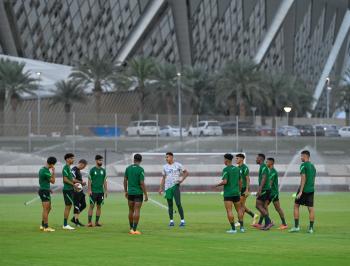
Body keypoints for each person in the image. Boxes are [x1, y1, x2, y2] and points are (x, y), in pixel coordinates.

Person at [215, 153, 244, 233]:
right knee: (239, 210)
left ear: (227, 160)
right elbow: (240, 181)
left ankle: (233, 229)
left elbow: (225, 181)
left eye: (224, 159)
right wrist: (239, 190)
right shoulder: (237, 169)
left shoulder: (226, 169)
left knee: (229, 211)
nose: (224, 161)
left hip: (228, 193)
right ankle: (242, 228)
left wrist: (217, 185)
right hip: (236, 193)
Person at [289, 150, 316, 233]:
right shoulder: (313, 166)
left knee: (296, 206)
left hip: (304, 189)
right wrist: (311, 187)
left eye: (301, 156)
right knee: (311, 209)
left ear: (305, 156)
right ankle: (311, 228)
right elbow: (313, 178)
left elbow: (303, 178)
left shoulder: (303, 165)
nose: (300, 158)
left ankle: (296, 227)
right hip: (311, 190)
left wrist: (301, 191)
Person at [159, 152, 189, 227]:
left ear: (172, 157)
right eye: (165, 157)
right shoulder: (164, 167)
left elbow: (186, 173)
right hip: (167, 188)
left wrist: (182, 180)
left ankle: (182, 221)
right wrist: (160, 188)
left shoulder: (178, 165)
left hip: (175, 186)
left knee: (178, 203)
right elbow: (163, 178)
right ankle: (171, 221)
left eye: (167, 157)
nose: (166, 159)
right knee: (170, 205)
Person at [124, 154, 148, 235]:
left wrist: (125, 191)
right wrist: (146, 194)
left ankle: (131, 228)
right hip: (138, 193)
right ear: (140, 160)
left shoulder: (128, 168)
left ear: (134, 160)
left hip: (130, 192)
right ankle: (134, 229)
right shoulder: (141, 169)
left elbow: (125, 180)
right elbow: (141, 183)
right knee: (137, 210)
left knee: (131, 210)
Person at [235, 153, 259, 226]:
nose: (236, 160)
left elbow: (248, 179)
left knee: (240, 205)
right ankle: (253, 215)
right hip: (239, 189)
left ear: (242, 159)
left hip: (244, 189)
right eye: (236, 158)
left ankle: (240, 221)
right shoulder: (237, 168)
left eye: (237, 158)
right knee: (241, 205)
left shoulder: (245, 168)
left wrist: (247, 190)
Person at [266, 157, 288, 230]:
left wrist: (263, 191)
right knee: (277, 208)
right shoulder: (269, 171)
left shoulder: (273, 171)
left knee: (264, 206)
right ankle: (283, 223)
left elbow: (270, 184)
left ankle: (269, 222)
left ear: (271, 163)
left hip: (272, 193)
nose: (266, 163)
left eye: (267, 162)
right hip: (272, 193)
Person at [253, 153, 273, 230]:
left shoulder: (263, 167)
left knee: (258, 205)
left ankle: (269, 222)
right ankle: (267, 224)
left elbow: (264, 178)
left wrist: (260, 189)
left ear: (260, 159)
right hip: (267, 189)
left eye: (257, 158)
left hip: (264, 190)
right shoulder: (263, 167)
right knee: (264, 207)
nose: (256, 159)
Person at [87, 155, 108, 227]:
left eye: (101, 160)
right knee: (91, 206)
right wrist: (89, 190)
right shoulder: (92, 170)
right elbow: (89, 180)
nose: (101, 161)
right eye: (99, 160)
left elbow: (105, 181)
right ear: (96, 161)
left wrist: (106, 190)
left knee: (99, 207)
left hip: (100, 192)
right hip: (93, 191)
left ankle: (97, 222)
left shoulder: (103, 170)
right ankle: (89, 222)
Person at [38, 156, 57, 232]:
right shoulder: (46, 171)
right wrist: (53, 172)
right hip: (44, 191)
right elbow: (53, 181)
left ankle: (43, 225)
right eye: (54, 165)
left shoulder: (42, 169)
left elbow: (42, 181)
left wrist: (48, 189)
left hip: (45, 190)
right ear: (52, 164)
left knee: (48, 208)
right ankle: (46, 226)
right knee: (46, 209)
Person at [71, 159, 88, 227]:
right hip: (75, 190)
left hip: (80, 191)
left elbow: (77, 181)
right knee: (76, 205)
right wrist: (81, 182)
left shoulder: (78, 170)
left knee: (83, 205)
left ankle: (74, 219)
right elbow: (72, 179)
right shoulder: (74, 169)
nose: (84, 168)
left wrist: (81, 184)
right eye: (84, 166)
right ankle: (76, 221)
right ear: (81, 164)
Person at [62, 153, 76, 230]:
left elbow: (70, 179)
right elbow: (65, 179)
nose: (73, 160)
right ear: (67, 159)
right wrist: (73, 185)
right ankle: (65, 224)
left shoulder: (69, 168)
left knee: (69, 206)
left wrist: (77, 184)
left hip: (70, 189)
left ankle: (65, 224)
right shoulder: (65, 167)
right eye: (71, 158)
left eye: (73, 158)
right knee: (68, 206)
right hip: (67, 190)